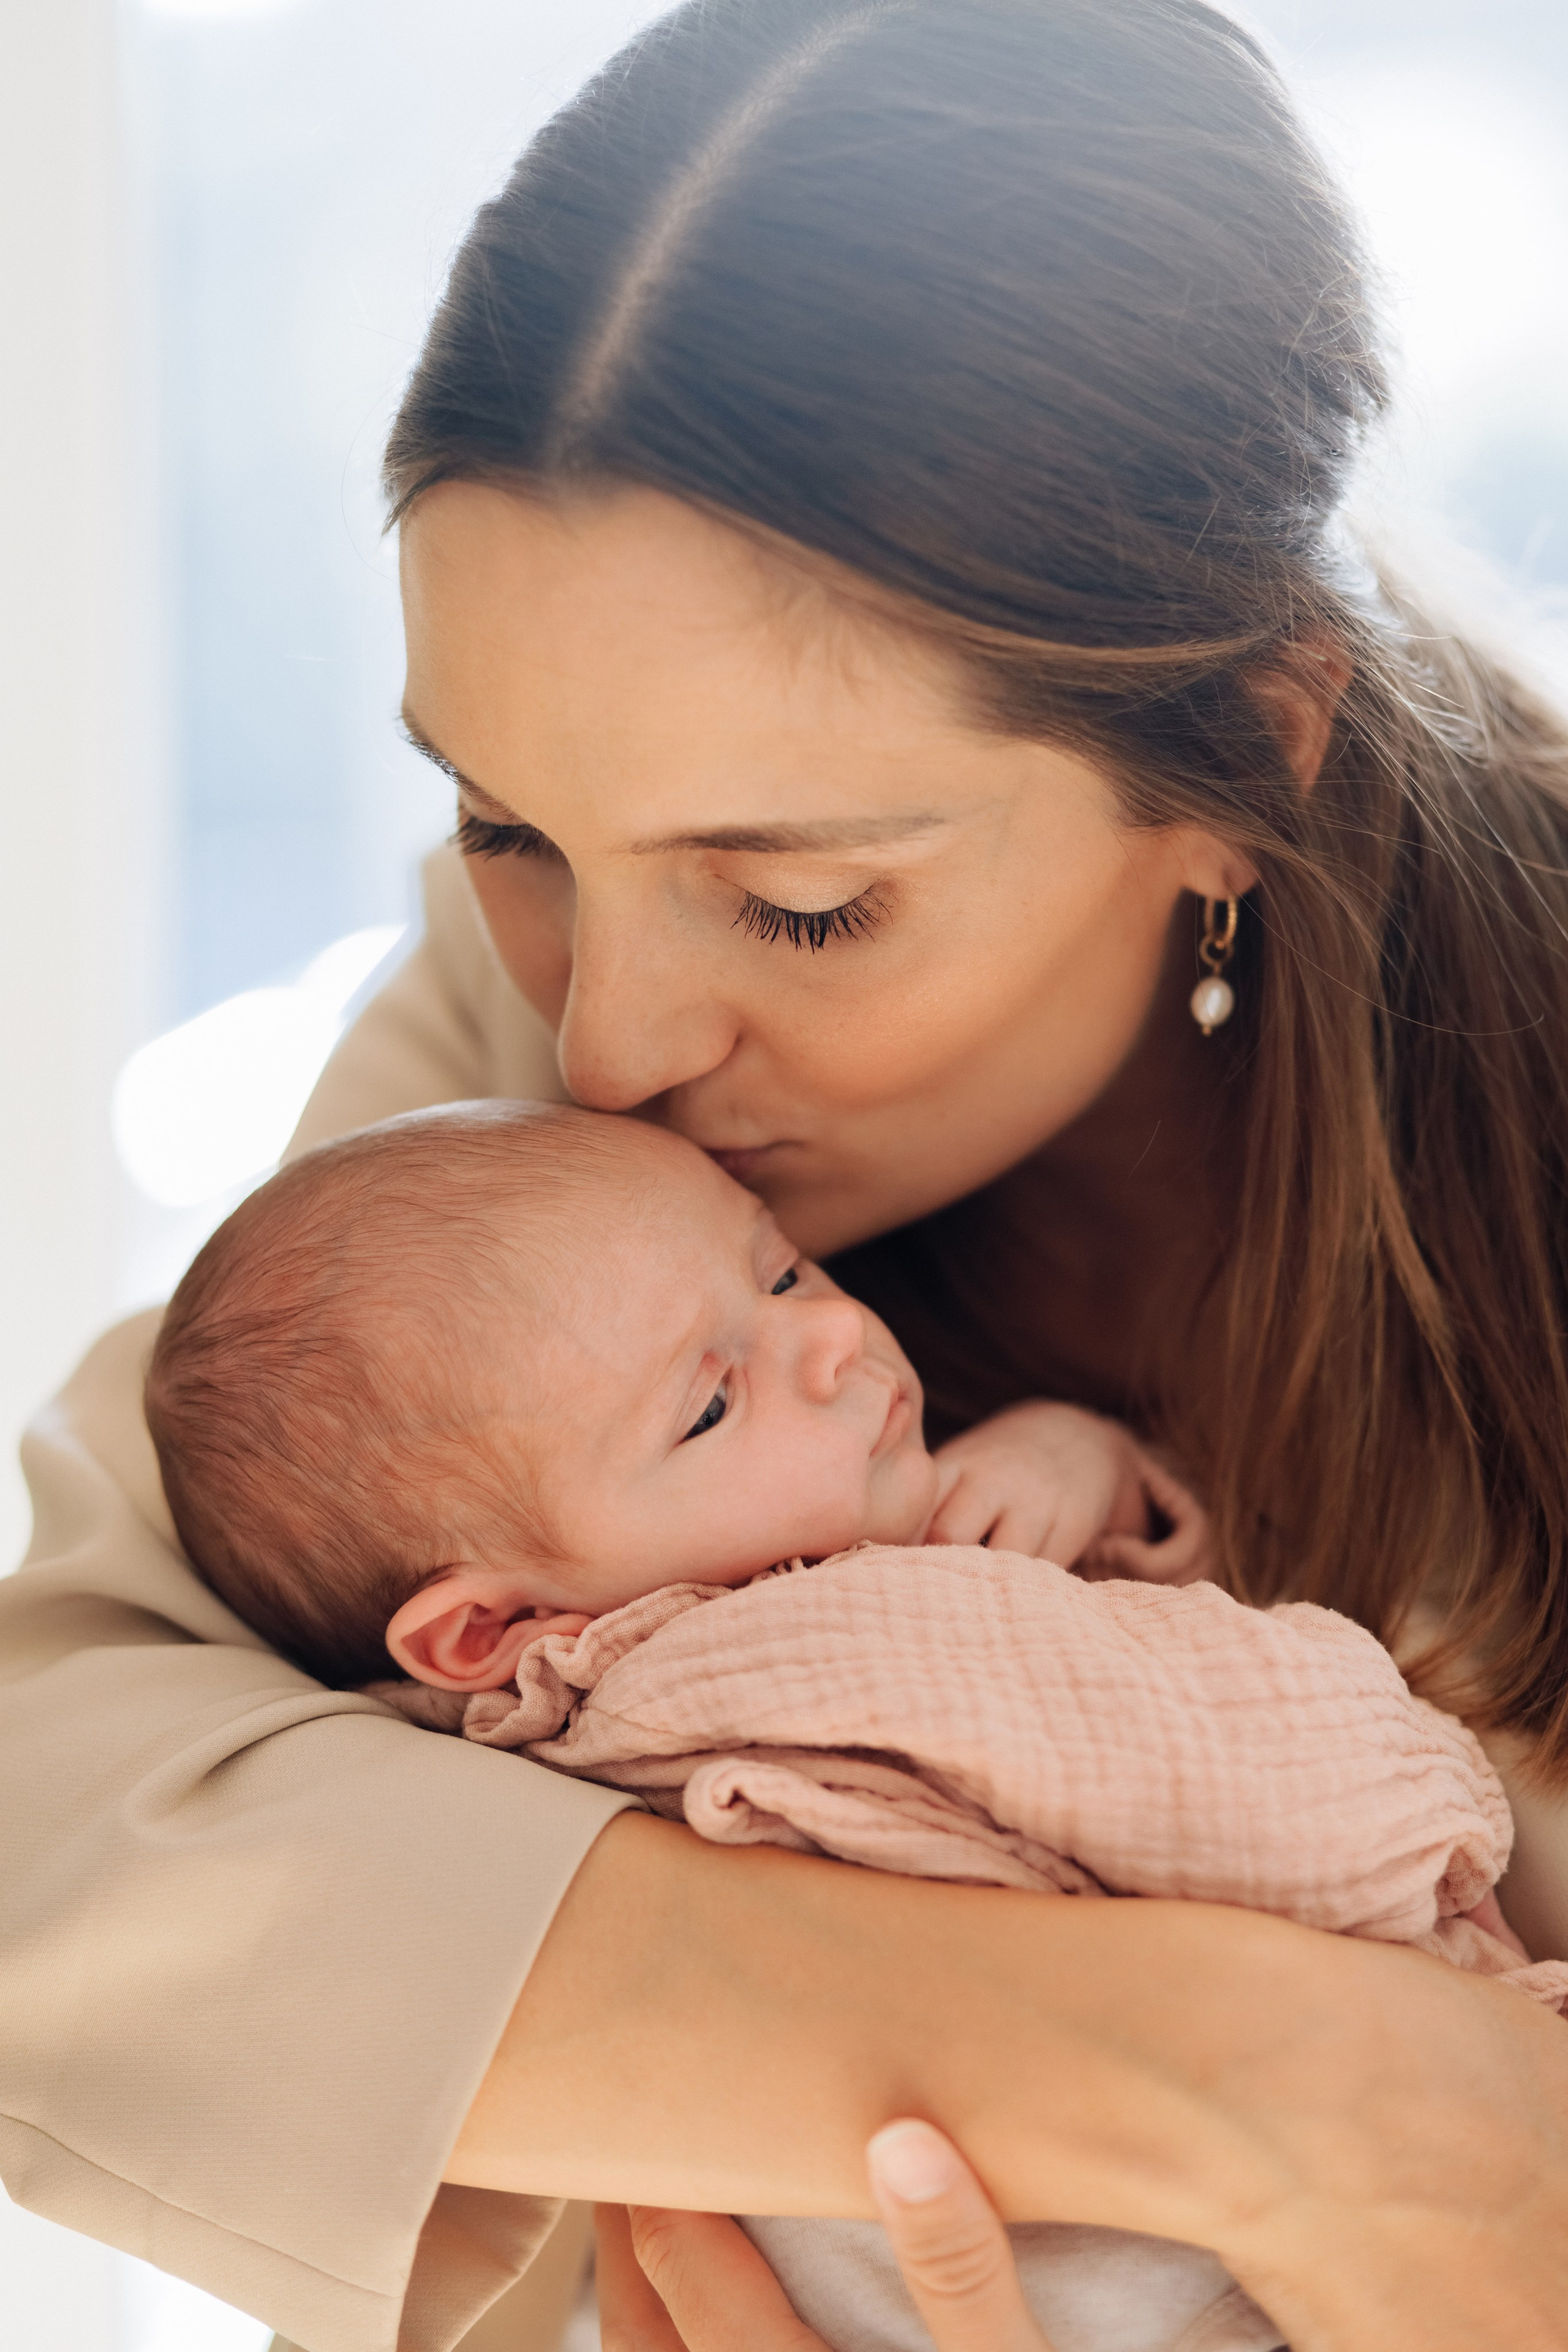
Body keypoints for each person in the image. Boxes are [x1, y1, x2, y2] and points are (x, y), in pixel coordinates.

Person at [7, 2, 1568, 2349]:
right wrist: (1262, 2097)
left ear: (1249, 752)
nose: (606, 1040)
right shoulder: (537, 1037)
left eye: (807, 902)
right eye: (503, 821)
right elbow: (59, 1807)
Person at [140, 1099, 1561, 2352]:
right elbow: (1232, 1774)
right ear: (489, 1632)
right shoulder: (780, 1651)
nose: (826, 1337)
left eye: (779, 1268)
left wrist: (1081, 1464)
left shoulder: (622, 1668)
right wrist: (1427, 1825)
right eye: (710, 1402)